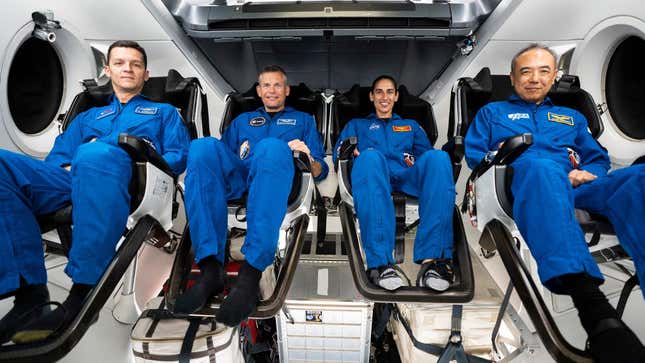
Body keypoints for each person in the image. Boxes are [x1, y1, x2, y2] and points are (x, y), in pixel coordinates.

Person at [0, 40, 191, 344]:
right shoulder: (88, 118)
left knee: (94, 155)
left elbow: (178, 157)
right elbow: (57, 159)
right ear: (107, 71)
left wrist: (126, 151)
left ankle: (83, 292)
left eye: (135, 64)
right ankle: (30, 294)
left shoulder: (163, 112)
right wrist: (73, 166)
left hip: (134, 179)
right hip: (75, 179)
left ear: (145, 74)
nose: (127, 68)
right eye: (119, 63)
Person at [465, 44, 645, 362]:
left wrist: (585, 173)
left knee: (639, 177)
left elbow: (597, 159)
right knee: (541, 167)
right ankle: (592, 307)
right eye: (526, 71)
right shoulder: (492, 113)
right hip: (520, 183)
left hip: (575, 185)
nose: (534, 78)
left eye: (543, 71)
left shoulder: (571, 117)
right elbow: (476, 156)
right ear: (513, 77)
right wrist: (508, 158)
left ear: (554, 77)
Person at [175, 65, 328, 326]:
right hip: (239, 177)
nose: (271, 90)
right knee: (201, 147)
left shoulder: (303, 120)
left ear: (286, 90)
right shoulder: (241, 121)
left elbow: (320, 170)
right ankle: (211, 268)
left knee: (271, 147)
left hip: (278, 179)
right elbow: (217, 160)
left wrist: (306, 155)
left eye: (277, 85)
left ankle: (250, 274)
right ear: (258, 90)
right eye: (266, 85)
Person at [333, 75, 455, 292]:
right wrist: (354, 154)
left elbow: (426, 156)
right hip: (374, 176)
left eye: (389, 92)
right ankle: (381, 265)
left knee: (438, 158)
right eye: (379, 92)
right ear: (371, 96)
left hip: (407, 176)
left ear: (396, 96)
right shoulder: (357, 125)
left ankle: (433, 262)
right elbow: (338, 154)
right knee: (370, 157)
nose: (384, 97)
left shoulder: (411, 126)